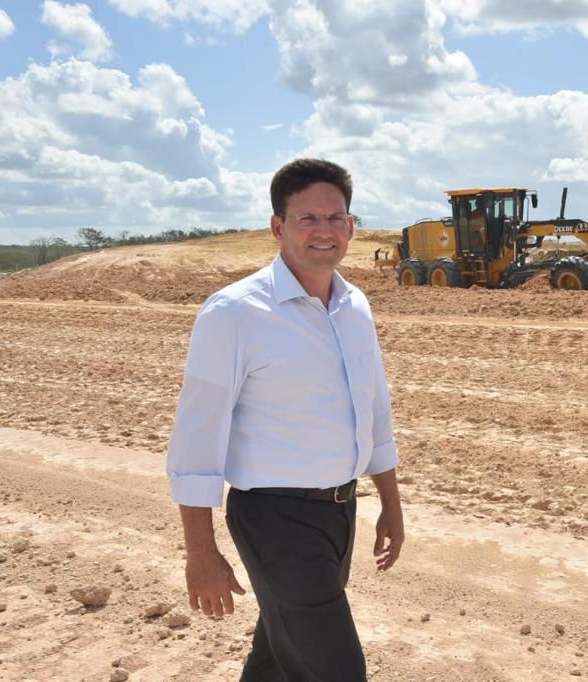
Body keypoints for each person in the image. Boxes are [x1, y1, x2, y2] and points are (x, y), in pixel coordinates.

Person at [166, 158, 403, 681]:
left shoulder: (355, 305)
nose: (324, 231)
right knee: (336, 671)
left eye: (335, 218)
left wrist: (390, 502)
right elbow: (197, 440)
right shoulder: (234, 313)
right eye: (308, 219)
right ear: (278, 227)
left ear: (351, 227)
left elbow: (374, 408)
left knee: (277, 658)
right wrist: (200, 554)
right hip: (274, 520)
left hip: (340, 512)